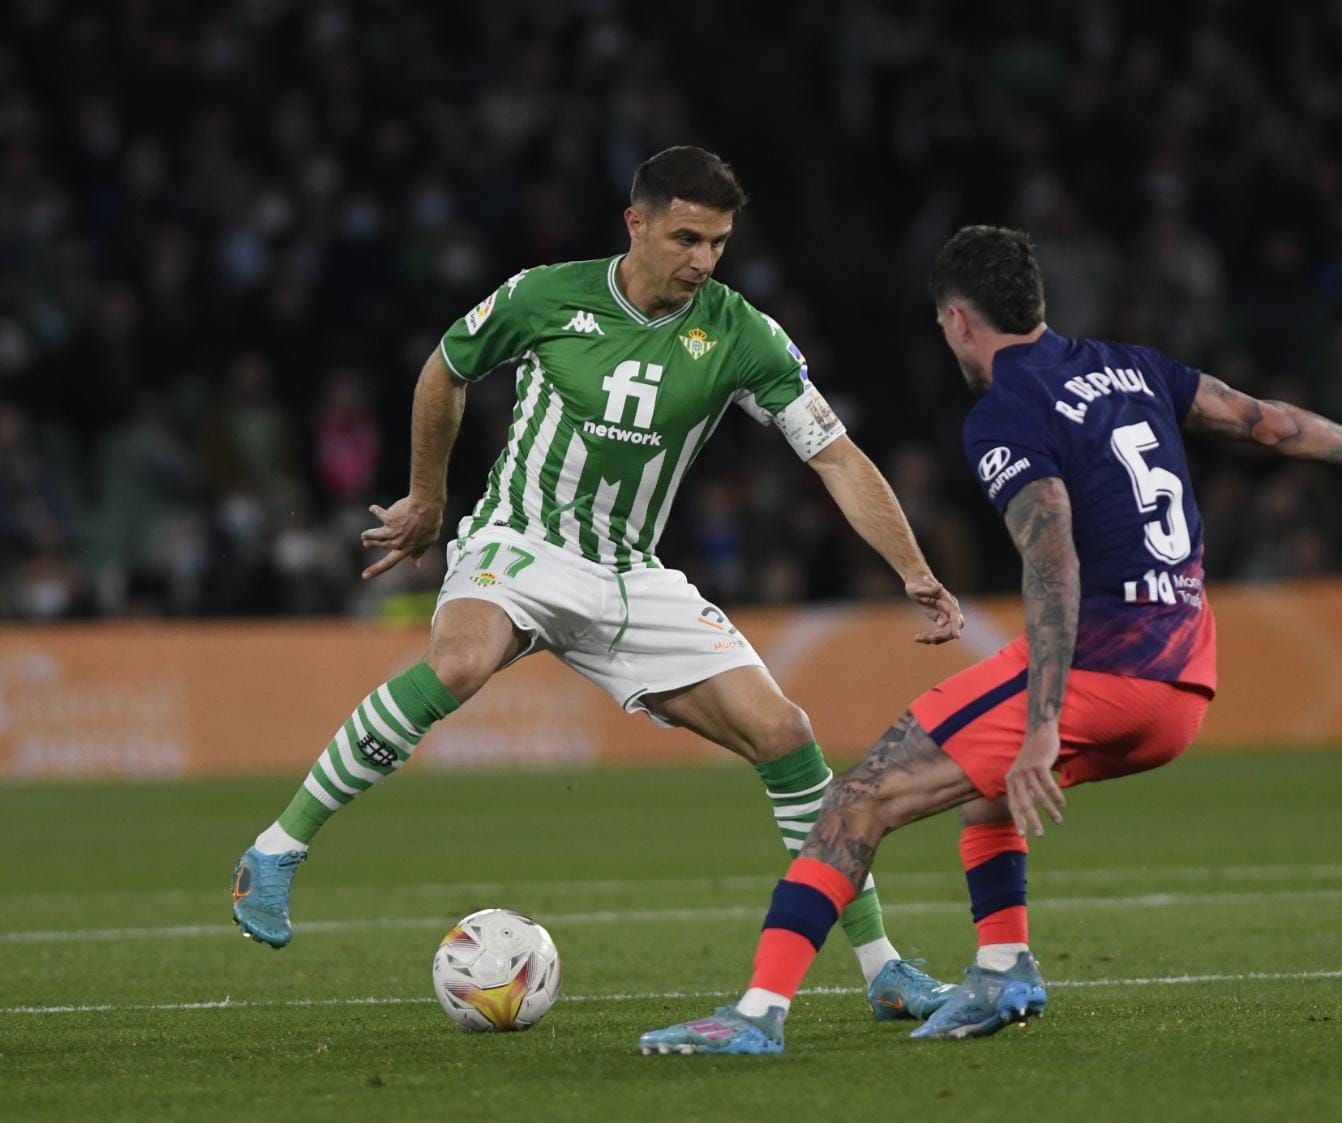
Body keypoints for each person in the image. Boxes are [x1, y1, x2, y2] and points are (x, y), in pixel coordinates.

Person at [638, 224, 1342, 1055]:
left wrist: (1044, 722)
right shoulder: (1136, 368)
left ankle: (757, 1012)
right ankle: (1003, 967)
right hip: (1185, 675)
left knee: (857, 799)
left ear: (959, 321)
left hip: (1102, 669)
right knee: (984, 781)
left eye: (945, 328)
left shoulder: (1006, 410)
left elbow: (1052, 557)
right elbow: (1268, 423)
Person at [230, 147, 966, 1016]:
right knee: (460, 665)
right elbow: (445, 370)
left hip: (629, 575)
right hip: (521, 543)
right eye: (685, 237)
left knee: (787, 733)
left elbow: (834, 455)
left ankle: (881, 968)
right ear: (637, 223)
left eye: (719, 243)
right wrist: (429, 496)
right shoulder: (546, 294)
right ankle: (276, 850)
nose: (701, 260)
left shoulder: (742, 335)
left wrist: (914, 567)